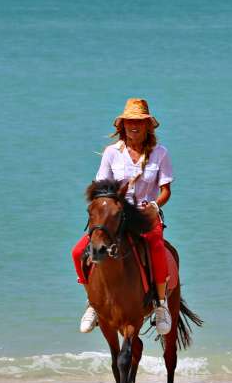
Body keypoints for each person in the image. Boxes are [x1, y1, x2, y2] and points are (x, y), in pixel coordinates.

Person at [71, 98, 173, 335]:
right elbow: (100, 186)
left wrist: (155, 206)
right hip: (115, 217)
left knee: (156, 245)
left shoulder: (161, 153)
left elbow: (166, 190)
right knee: (78, 252)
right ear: (122, 125)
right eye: (129, 122)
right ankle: (93, 303)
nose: (133, 126)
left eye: (139, 122)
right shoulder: (111, 153)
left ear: (148, 126)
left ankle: (160, 304)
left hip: (145, 216)